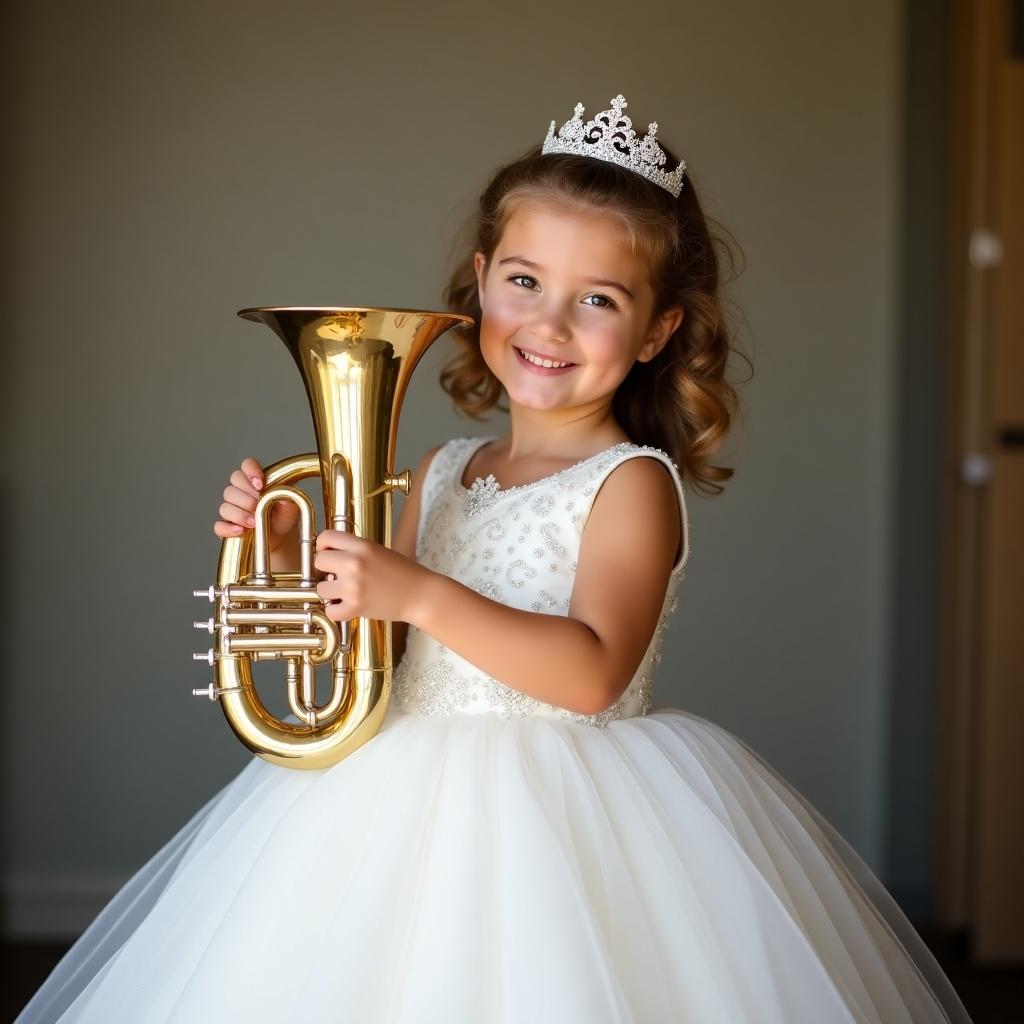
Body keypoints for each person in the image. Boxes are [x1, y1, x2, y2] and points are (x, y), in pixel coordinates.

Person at [16, 94, 973, 1023]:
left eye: (597, 299)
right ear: (480, 281)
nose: (549, 325)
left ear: (657, 331)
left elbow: (594, 671)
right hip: (381, 798)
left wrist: (421, 592)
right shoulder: (441, 468)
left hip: (565, 821)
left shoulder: (630, 484)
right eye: (525, 282)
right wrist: (287, 551)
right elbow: (374, 641)